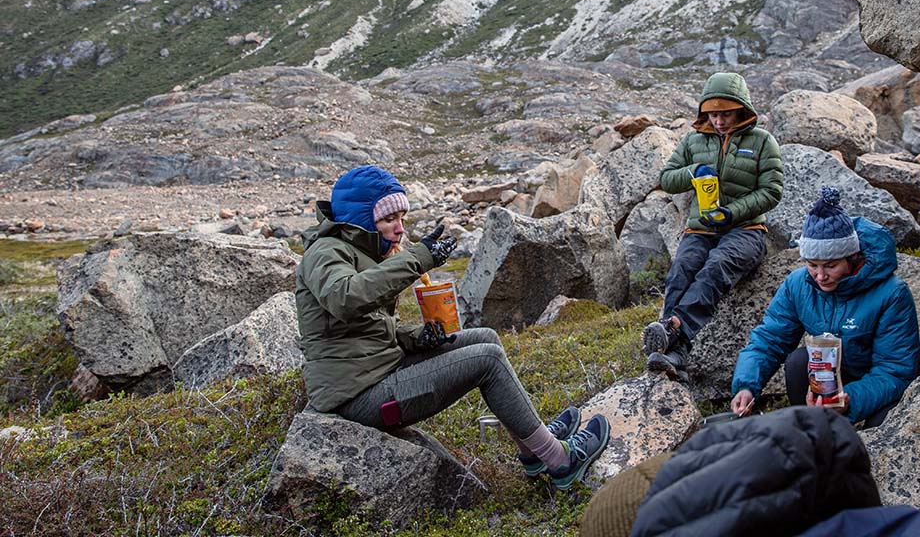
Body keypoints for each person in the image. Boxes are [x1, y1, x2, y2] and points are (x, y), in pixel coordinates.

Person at [294, 164, 610, 490]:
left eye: (402, 218)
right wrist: (418, 258)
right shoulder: (324, 252)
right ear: (359, 220)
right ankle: (559, 461)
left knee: (485, 337)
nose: (400, 229)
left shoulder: (358, 252)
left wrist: (418, 337)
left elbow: (367, 328)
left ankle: (532, 449)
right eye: (389, 220)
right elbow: (347, 299)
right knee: (486, 361)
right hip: (356, 397)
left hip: (374, 372)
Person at [730, 186, 920, 427]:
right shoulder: (799, 285)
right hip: (833, 376)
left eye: (831, 266)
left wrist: (849, 400)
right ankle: (814, 433)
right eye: (812, 264)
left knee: (884, 422)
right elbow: (770, 339)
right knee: (799, 363)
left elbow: (895, 369)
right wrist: (747, 386)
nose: (820, 276)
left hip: (884, 382)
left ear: (852, 258)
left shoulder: (892, 294)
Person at [643, 71, 784, 379]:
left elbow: (772, 191)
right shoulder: (694, 140)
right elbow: (667, 179)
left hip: (746, 230)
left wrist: (732, 212)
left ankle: (673, 330)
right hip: (701, 228)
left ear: (741, 109)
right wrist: (694, 170)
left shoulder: (762, 142)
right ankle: (673, 355)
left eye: (726, 113)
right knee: (682, 268)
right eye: (713, 114)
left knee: (717, 266)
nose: (719, 121)